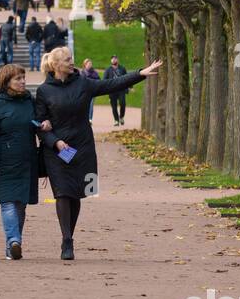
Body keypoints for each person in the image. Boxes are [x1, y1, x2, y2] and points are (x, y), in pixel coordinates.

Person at [35, 46, 163, 260]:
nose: (71, 61)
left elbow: (111, 84)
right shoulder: (44, 91)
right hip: (57, 150)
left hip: (82, 147)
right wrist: (55, 141)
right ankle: (67, 241)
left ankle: (70, 235)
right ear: (56, 65)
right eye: (67, 59)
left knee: (77, 194)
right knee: (63, 193)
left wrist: (140, 74)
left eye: (71, 58)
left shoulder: (83, 83)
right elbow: (39, 124)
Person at [0, 64, 42, 260]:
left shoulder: (29, 102)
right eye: (18, 79)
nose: (23, 81)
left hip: (27, 160)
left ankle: (14, 243)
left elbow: (38, 123)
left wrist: (44, 124)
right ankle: (13, 241)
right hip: (3, 161)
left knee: (20, 205)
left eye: (23, 78)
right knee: (8, 203)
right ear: (6, 82)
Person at [103, 55, 128, 126]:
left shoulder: (122, 68)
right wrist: (105, 88)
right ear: (111, 61)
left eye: (115, 58)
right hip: (112, 90)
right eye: (112, 59)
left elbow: (127, 78)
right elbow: (104, 79)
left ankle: (121, 117)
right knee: (114, 106)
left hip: (121, 89)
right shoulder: (108, 70)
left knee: (123, 103)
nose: (114, 60)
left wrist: (130, 87)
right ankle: (116, 120)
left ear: (118, 60)